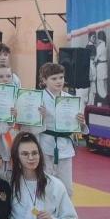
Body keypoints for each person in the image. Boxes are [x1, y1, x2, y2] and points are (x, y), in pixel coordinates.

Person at [21, 63, 85, 196]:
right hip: (44, 145)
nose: (59, 81)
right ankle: (45, 209)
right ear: (44, 80)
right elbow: (28, 128)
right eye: (54, 78)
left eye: (61, 77)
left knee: (67, 188)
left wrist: (81, 123)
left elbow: (78, 128)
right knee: (45, 184)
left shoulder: (71, 99)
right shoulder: (37, 98)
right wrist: (41, 118)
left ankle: (65, 210)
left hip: (65, 147)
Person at [0, 64, 18, 180]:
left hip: (15, 143)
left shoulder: (20, 97)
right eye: (1, 76)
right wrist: (8, 124)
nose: (5, 79)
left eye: (8, 76)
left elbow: (26, 126)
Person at [93, 30, 108, 105]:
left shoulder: (99, 47)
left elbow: (96, 59)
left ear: (99, 38)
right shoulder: (105, 45)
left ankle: (102, 101)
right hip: (105, 66)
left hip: (100, 67)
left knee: (100, 85)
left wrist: (93, 60)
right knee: (105, 85)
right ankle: (105, 100)